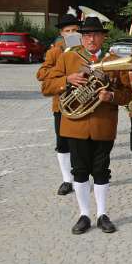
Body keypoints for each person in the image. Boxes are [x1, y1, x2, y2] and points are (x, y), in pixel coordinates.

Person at [43, 17, 131, 234]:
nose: (91, 39)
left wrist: (111, 95)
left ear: (103, 37)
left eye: (96, 35)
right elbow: (46, 86)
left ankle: (102, 214)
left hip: (103, 125)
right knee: (79, 171)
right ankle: (84, 214)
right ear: (81, 37)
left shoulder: (115, 61)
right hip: (75, 125)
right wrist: (67, 80)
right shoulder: (68, 58)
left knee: (101, 171)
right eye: (87, 35)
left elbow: (127, 95)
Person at [36, 11, 80, 196]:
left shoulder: (85, 49)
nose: (71, 34)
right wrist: (63, 75)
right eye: (67, 31)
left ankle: (80, 176)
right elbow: (41, 75)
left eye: (75, 30)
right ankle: (66, 180)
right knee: (62, 143)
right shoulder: (55, 51)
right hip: (61, 103)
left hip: (83, 102)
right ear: (62, 33)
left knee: (79, 142)